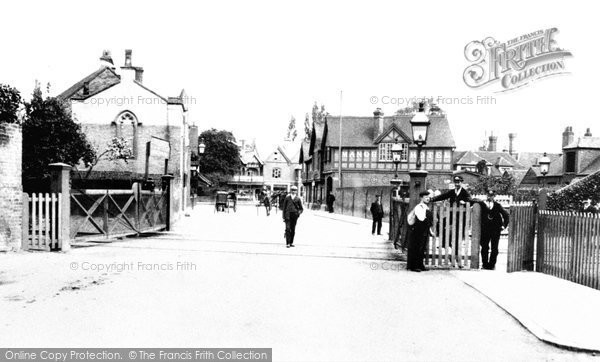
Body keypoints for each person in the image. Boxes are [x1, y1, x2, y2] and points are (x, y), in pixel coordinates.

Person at [430, 175, 472, 254]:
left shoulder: (465, 192)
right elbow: (443, 196)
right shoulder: (452, 191)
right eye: (455, 182)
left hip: (461, 217)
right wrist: (432, 199)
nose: (457, 184)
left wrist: (465, 202)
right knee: (441, 223)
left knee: (457, 235)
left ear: (461, 182)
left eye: (458, 182)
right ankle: (446, 242)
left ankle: (455, 253)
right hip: (452, 215)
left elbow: (471, 201)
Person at [477, 190, 509, 270]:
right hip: (485, 229)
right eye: (488, 195)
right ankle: (485, 264)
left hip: (495, 229)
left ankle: (492, 265)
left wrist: (504, 226)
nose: (489, 197)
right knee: (484, 247)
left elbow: (506, 215)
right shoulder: (482, 204)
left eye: (491, 196)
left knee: (494, 248)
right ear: (486, 195)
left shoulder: (497, 205)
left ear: (494, 196)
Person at [407, 191, 434, 272]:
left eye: (428, 197)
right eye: (426, 197)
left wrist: (430, 231)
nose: (428, 198)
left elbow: (427, 222)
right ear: (421, 198)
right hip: (418, 230)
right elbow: (421, 219)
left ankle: (420, 265)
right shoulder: (419, 207)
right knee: (417, 248)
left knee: (422, 248)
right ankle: (414, 266)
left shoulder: (426, 207)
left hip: (424, 230)